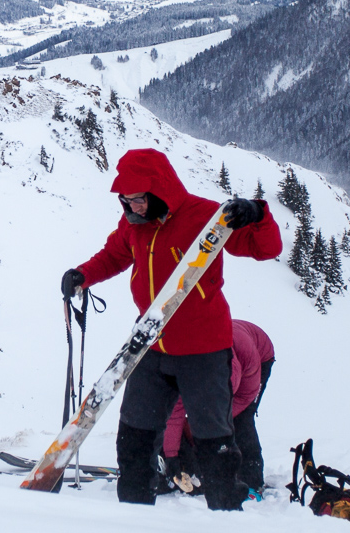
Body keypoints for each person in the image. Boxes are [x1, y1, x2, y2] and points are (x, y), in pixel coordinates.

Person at [61, 149, 282, 510]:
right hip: (150, 344)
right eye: (126, 199)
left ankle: (226, 513)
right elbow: (115, 255)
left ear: (159, 189)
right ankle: (134, 509)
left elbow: (266, 248)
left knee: (213, 438)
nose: (132, 206)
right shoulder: (133, 224)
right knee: (135, 434)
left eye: (138, 198)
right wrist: (83, 275)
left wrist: (257, 214)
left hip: (204, 349)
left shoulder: (205, 217)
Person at [160, 320, 275, 499]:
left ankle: (252, 481)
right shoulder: (188, 369)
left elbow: (245, 398)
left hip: (259, 357)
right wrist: (171, 455)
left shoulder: (246, 359)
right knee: (193, 421)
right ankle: (187, 462)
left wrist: (210, 421)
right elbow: (175, 414)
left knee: (242, 420)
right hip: (213, 357)